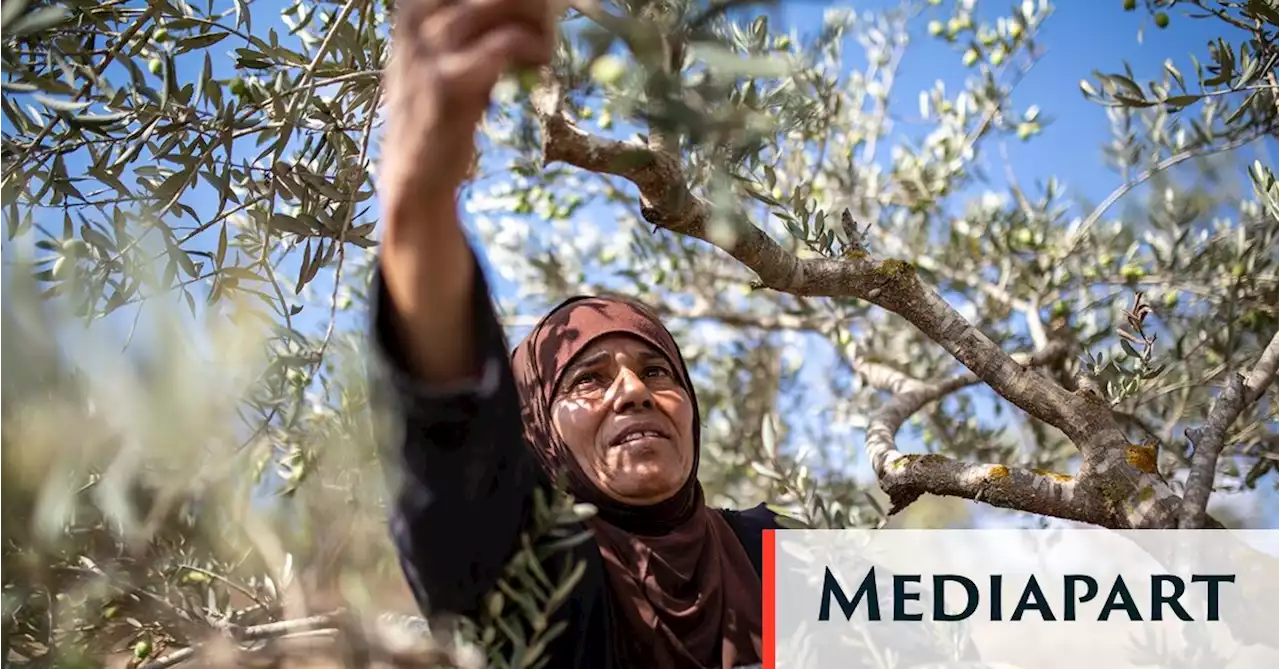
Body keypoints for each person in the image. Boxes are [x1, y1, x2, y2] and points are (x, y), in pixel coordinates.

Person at [367, 0, 782, 667]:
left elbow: (963, 619)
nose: (633, 391)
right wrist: (419, 197)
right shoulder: (544, 576)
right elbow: (454, 445)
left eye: (658, 372)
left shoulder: (774, 554)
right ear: (538, 428)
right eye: (588, 377)